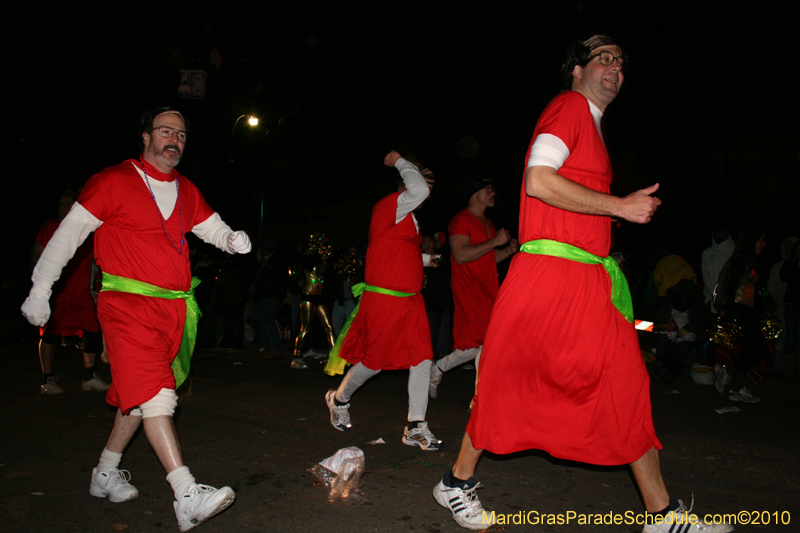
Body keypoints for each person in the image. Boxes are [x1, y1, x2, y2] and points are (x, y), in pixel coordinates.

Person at [432, 36, 733, 533]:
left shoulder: (592, 126)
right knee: (509, 381)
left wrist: (604, 235)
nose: (615, 68)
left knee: (626, 383)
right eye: (604, 59)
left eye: (621, 62)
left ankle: (661, 514)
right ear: (576, 70)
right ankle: (456, 481)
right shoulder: (570, 107)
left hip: (588, 280)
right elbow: (537, 180)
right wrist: (619, 206)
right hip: (549, 277)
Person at [21, 108, 250, 532]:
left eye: (180, 135)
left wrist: (231, 239)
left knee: (139, 395)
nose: (174, 140)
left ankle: (105, 473)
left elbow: (208, 225)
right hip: (126, 305)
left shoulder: (185, 189)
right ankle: (186, 494)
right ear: (144, 137)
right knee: (159, 394)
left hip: (173, 309)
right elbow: (66, 237)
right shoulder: (113, 181)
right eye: (165, 131)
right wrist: (40, 290)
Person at [324, 150, 442, 451]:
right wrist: (401, 161)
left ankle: (416, 425)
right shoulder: (390, 205)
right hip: (385, 301)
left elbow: (399, 251)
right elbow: (416, 188)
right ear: (407, 179)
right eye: (424, 181)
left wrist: (427, 259)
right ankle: (338, 398)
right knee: (372, 364)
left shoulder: (409, 218)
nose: (428, 191)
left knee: (423, 359)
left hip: (411, 302)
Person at [428, 177, 518, 398]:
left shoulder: (487, 223)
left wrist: (507, 251)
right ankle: (482, 399)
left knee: (477, 345)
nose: (492, 193)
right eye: (488, 190)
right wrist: (495, 242)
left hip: (488, 288)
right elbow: (460, 255)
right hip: (469, 288)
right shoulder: (461, 220)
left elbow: (486, 258)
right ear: (475, 194)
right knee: (489, 341)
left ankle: (438, 368)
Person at [33, 189, 109, 395]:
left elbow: (98, 259)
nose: (62, 208)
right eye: (60, 204)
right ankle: (47, 379)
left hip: (82, 292)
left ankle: (89, 376)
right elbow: (37, 256)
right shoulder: (50, 227)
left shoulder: (86, 231)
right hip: (59, 292)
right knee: (50, 334)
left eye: (67, 204)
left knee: (92, 330)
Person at [701, 228, 735, 313]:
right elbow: (707, 279)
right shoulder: (708, 254)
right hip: (712, 299)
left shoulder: (735, 253)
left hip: (732, 299)